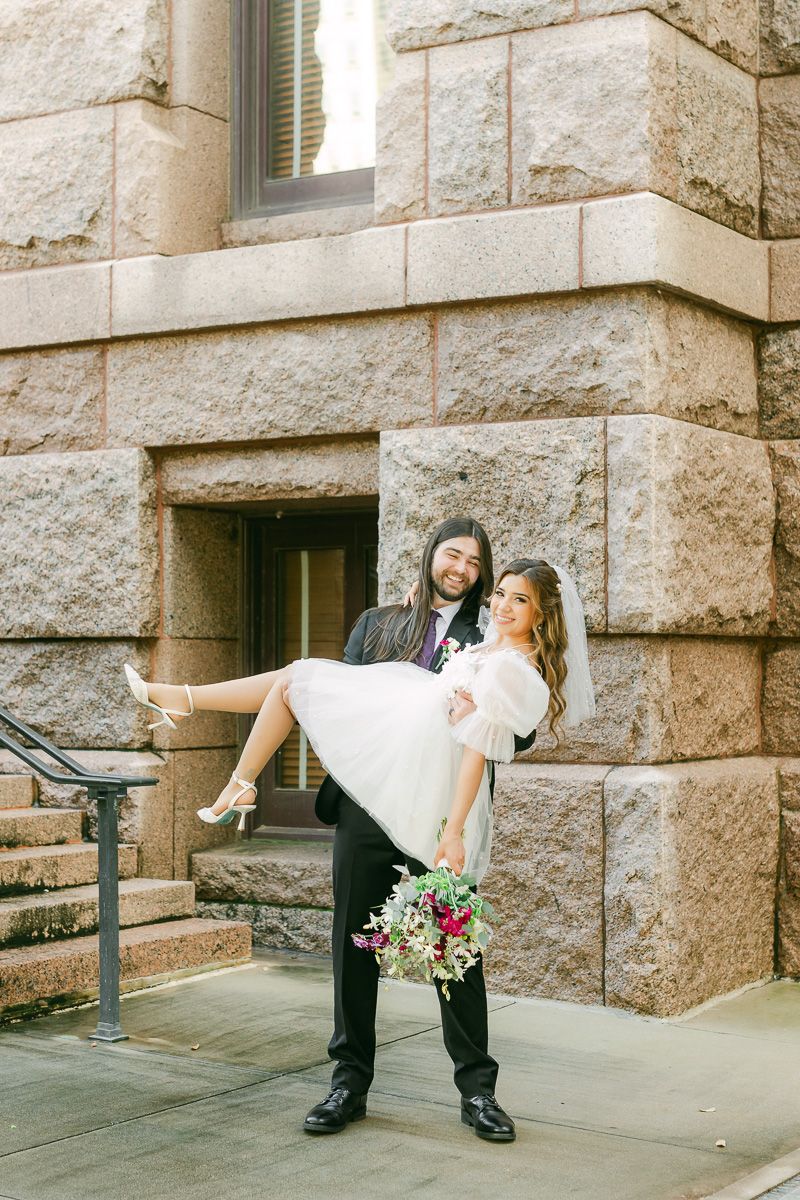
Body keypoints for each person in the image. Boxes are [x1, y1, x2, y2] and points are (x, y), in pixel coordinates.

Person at [124, 525, 595, 1143]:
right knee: (353, 942)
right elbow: (339, 701)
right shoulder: (381, 621)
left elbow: (514, 730)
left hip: (439, 812)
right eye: (452, 554)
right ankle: (348, 1083)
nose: (463, 569)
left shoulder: (490, 631)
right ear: (430, 556)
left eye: (475, 562)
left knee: (452, 947)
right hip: (366, 804)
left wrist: (474, 728)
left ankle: (478, 1091)